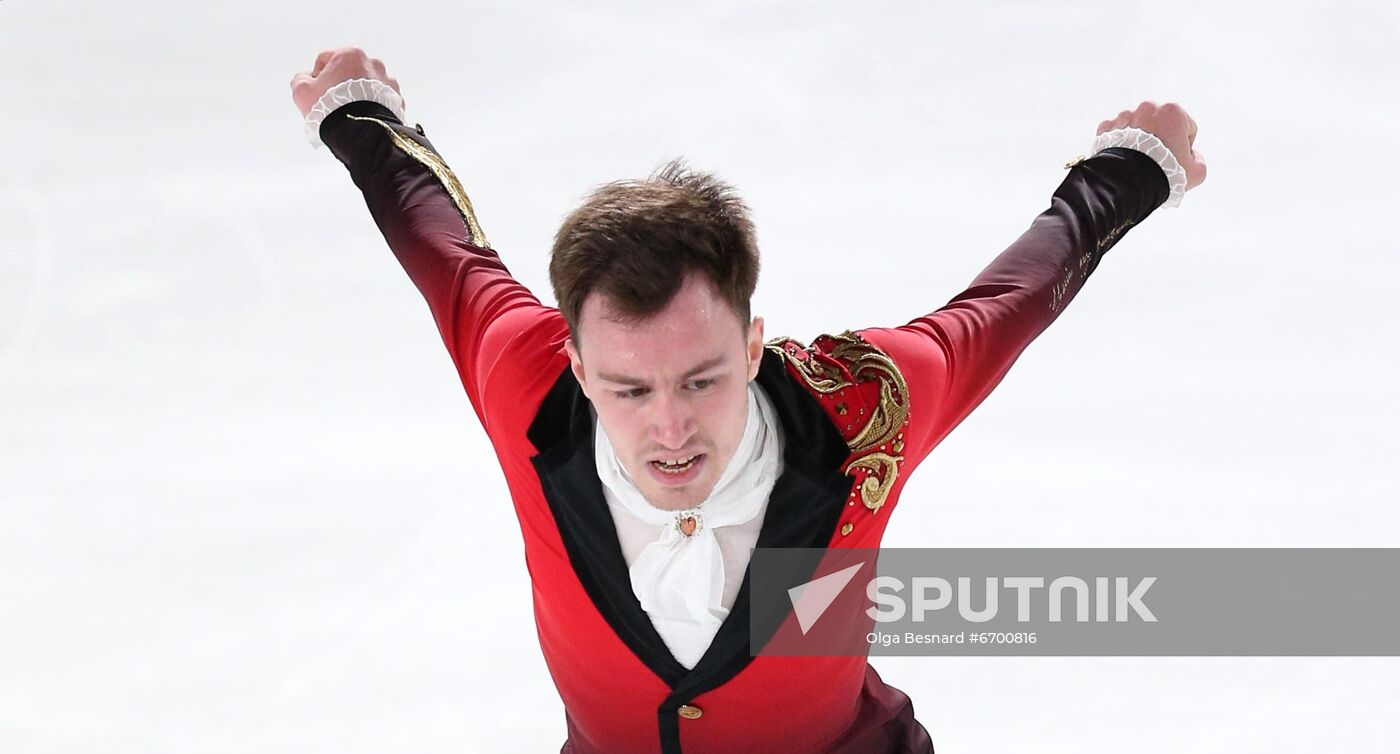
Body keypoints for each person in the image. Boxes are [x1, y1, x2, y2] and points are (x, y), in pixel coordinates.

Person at [289, 46, 1206, 754]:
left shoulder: (859, 411)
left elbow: (999, 309)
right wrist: (360, 114)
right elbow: (437, 241)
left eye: (702, 379)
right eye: (628, 388)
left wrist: (1130, 168)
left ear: (753, 344)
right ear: (576, 365)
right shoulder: (524, 380)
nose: (671, 427)